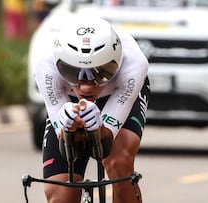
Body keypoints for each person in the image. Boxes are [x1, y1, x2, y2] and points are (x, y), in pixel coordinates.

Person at [35, 16, 150, 203]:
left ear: (116, 63)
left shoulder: (133, 64)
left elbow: (104, 145)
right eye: (73, 73)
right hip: (69, 98)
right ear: (61, 65)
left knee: (118, 162)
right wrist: (67, 127)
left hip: (116, 94)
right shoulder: (46, 67)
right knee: (61, 194)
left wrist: (100, 127)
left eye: (100, 72)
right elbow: (66, 145)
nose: (86, 87)